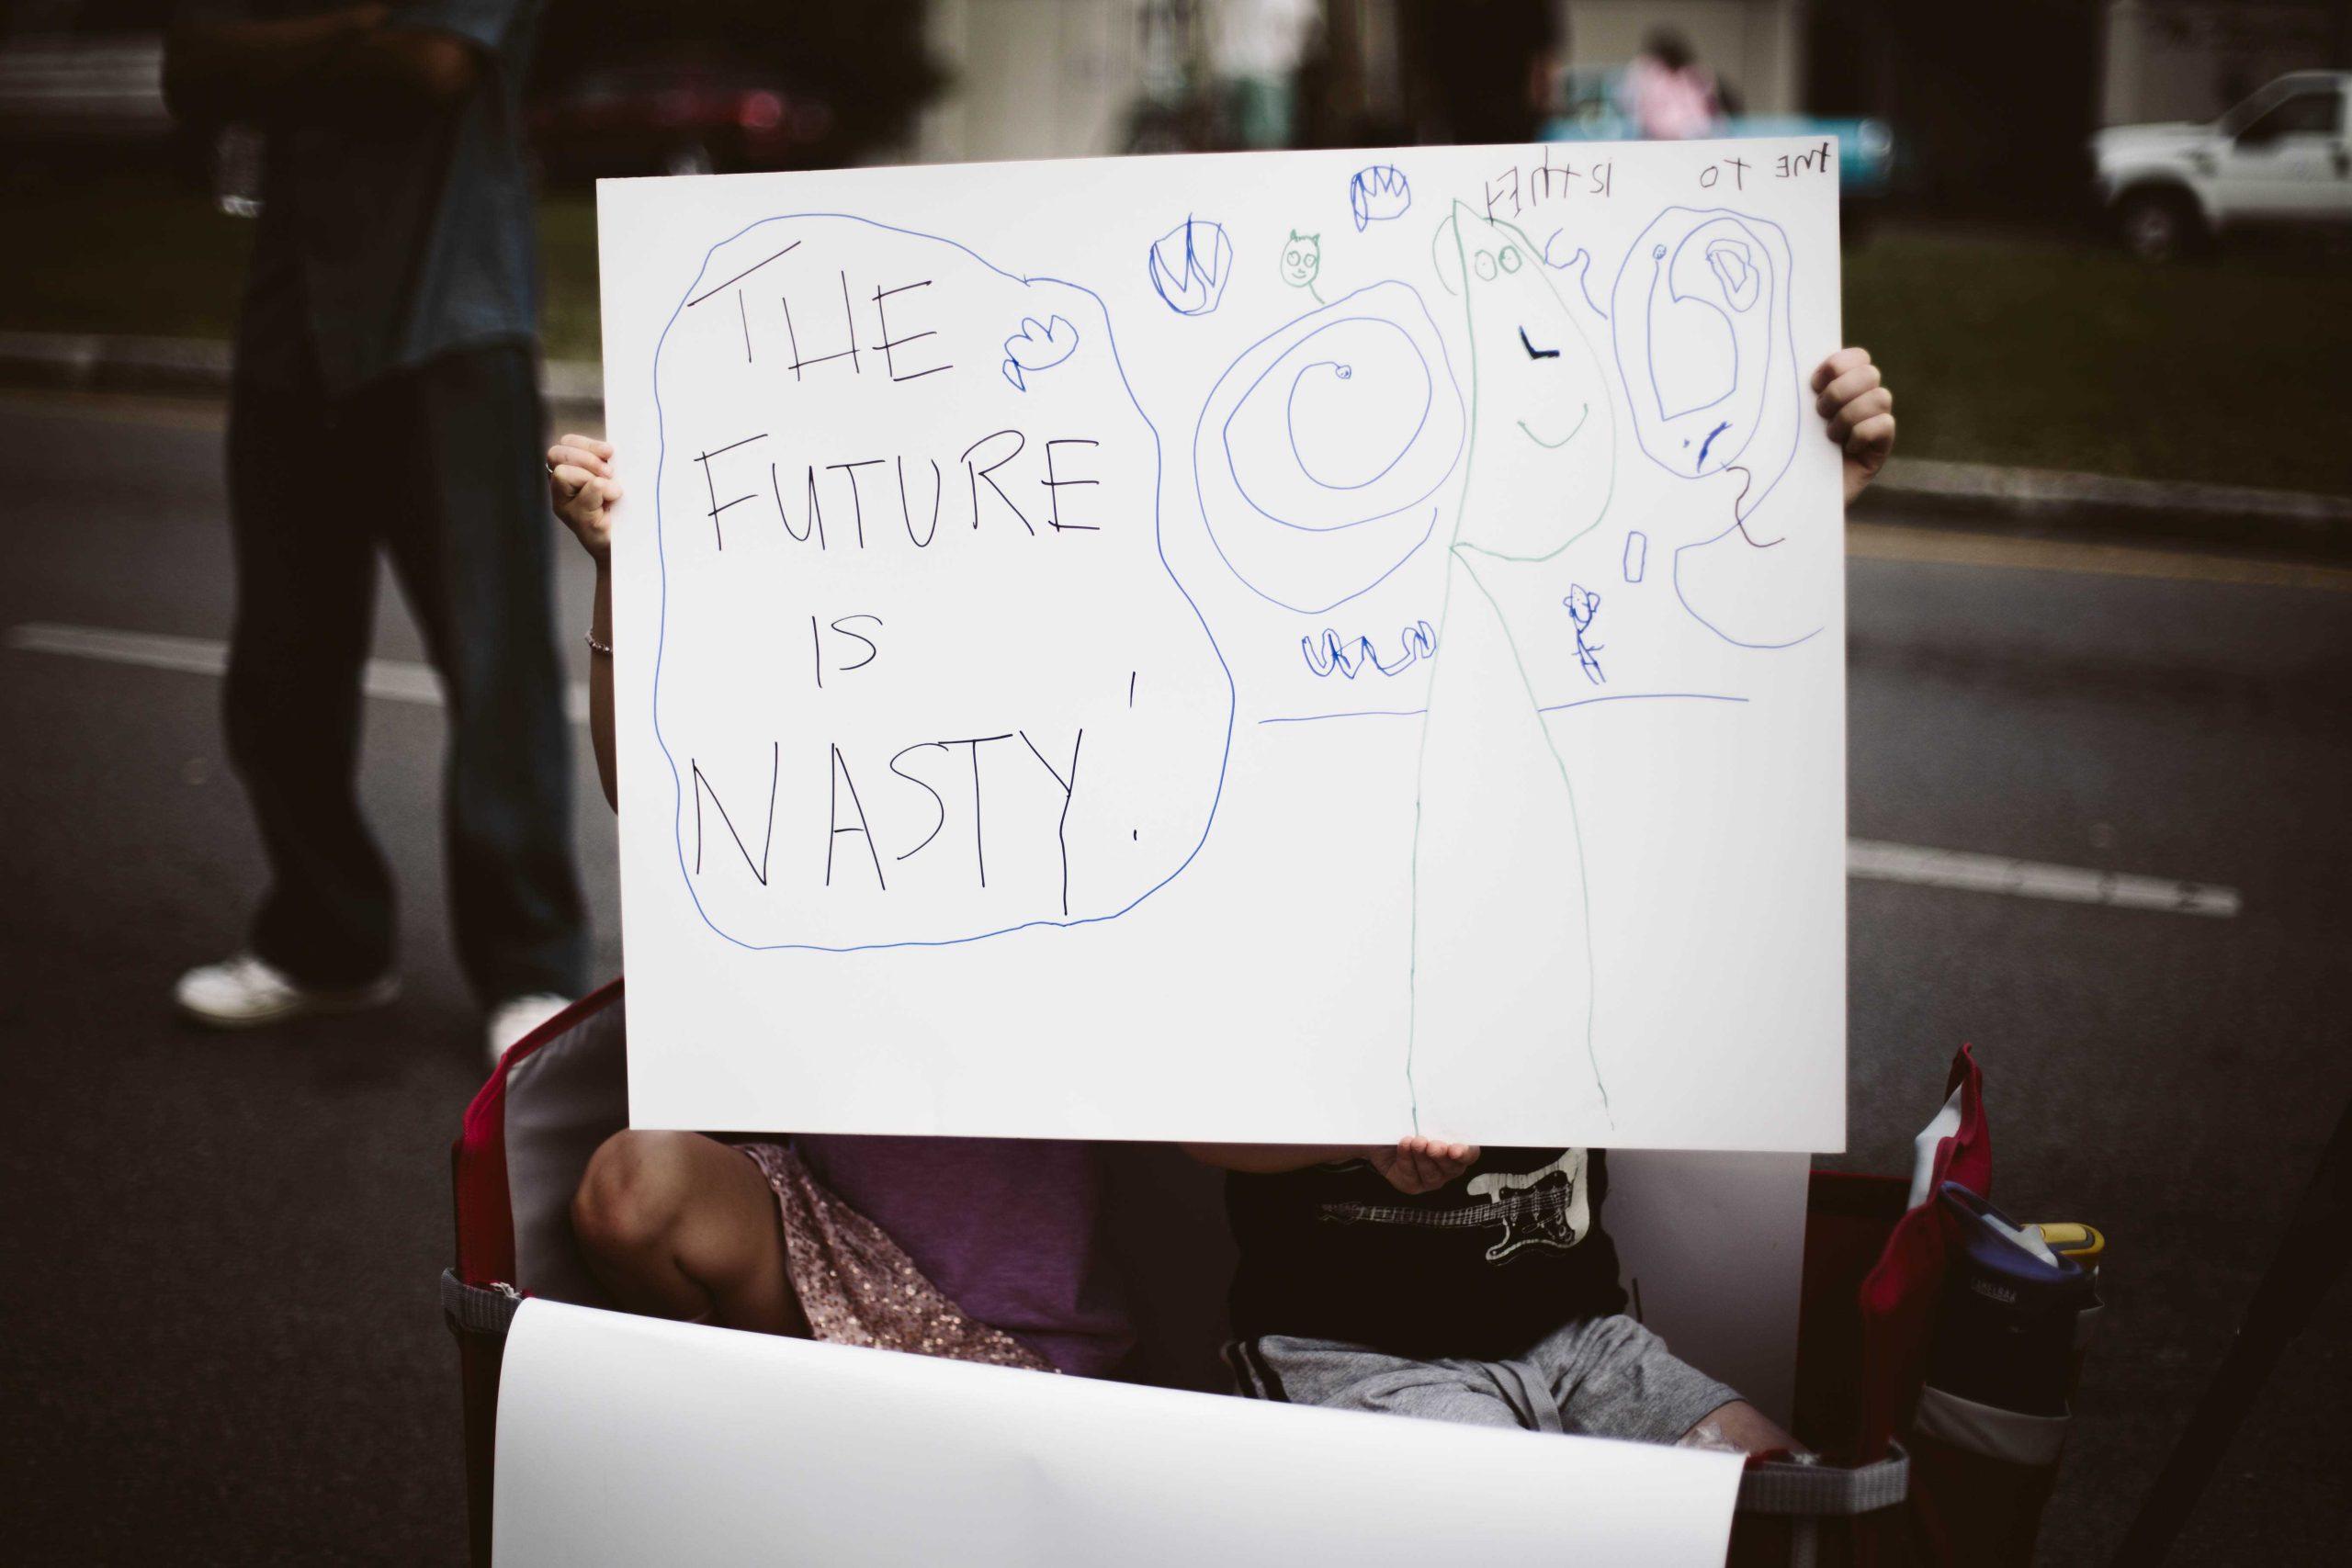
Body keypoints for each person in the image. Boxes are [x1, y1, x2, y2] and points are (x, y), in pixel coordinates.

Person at [1192, 347, 1897, 1454]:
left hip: (1579, 1337)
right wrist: (1355, 1128)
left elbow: (1705, 677)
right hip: (1348, 1355)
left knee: (1774, 1494)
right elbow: (1173, 1116)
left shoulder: (1575, 763)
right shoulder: (1279, 801)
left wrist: (1811, 493)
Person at [543, 434, 1136, 1376]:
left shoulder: (1095, 793)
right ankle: (750, 1403)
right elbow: (659, 801)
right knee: (634, 1187)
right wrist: (622, 568)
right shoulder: (834, 761)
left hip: (1043, 1326)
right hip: (825, 1252)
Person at [163, 3, 587, 1062]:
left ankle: (531, 968)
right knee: (281, 664)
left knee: (497, 673)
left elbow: (431, 63)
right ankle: (326, 941)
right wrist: (350, 30)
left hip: (454, 323)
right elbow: (190, 59)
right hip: (291, 327)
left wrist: (279, 45)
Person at [1621, 27, 1724, 141]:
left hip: (1692, 138)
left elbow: (1707, 111)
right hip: (1654, 139)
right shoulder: (1646, 71)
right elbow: (1631, 104)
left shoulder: (1693, 75)